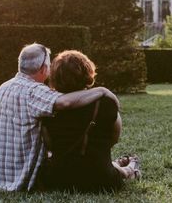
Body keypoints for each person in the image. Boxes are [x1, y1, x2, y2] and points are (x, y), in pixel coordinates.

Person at [0, 43, 120, 192]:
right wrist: (102, 91)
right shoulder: (34, 91)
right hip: (16, 178)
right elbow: (65, 102)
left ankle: (119, 167)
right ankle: (123, 168)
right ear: (43, 69)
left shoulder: (4, 86)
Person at [38, 50, 141, 192]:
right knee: (107, 169)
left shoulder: (48, 106)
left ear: (55, 75)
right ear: (87, 72)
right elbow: (114, 138)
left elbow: (48, 143)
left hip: (59, 180)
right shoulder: (105, 102)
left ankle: (124, 166)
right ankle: (131, 168)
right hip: (102, 180)